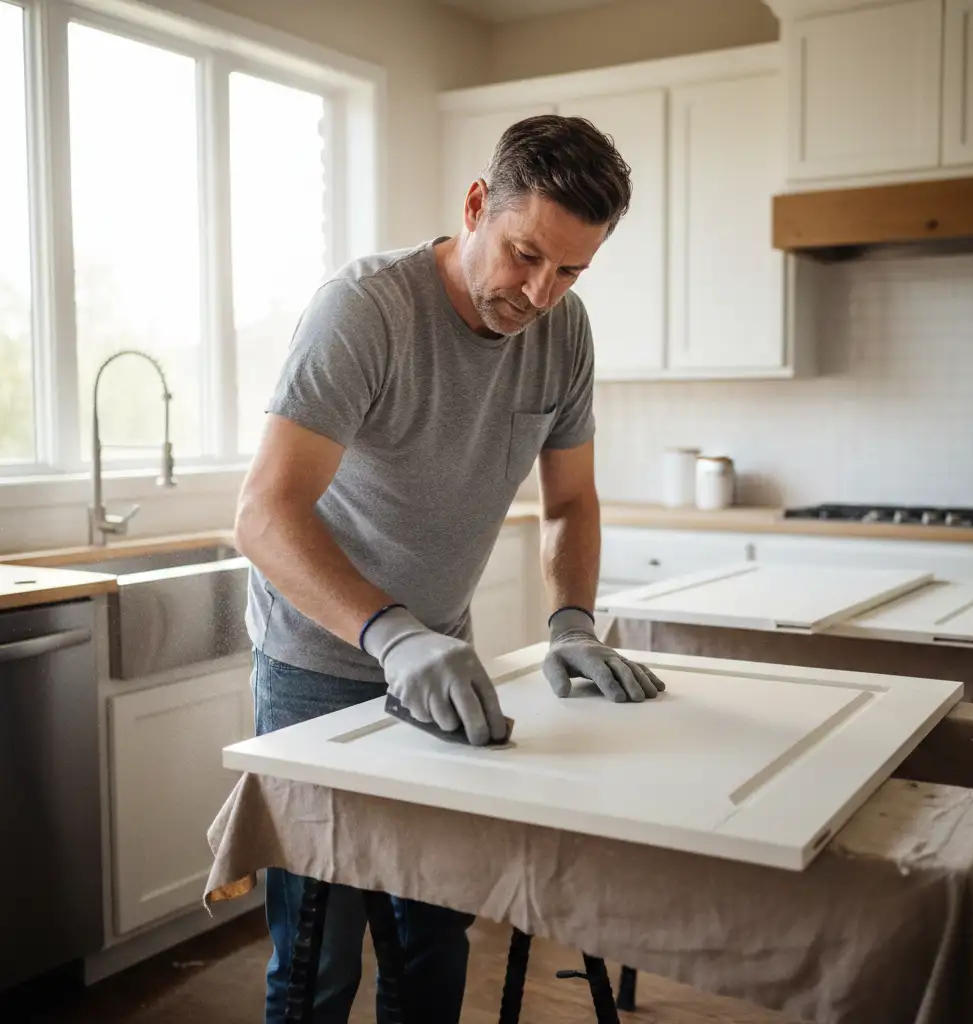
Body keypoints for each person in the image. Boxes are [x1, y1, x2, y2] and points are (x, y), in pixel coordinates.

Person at [234, 113, 665, 1024]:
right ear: (476, 205)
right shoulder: (368, 310)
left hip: (438, 670)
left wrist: (572, 621)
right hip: (316, 666)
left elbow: (572, 501)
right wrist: (391, 633)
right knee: (316, 963)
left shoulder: (565, 331)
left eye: (571, 270)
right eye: (524, 255)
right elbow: (264, 516)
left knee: (432, 945)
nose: (541, 292)